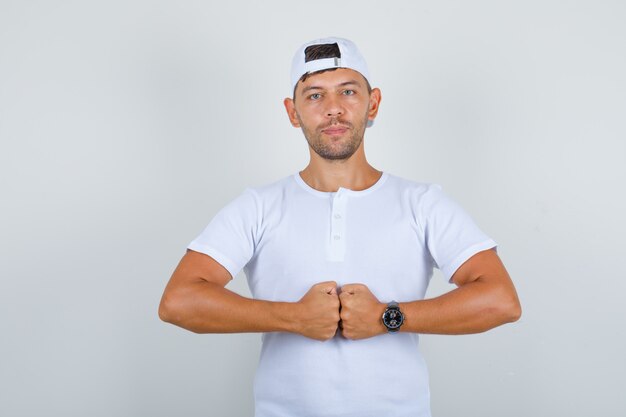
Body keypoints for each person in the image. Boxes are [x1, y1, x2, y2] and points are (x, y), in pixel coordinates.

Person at [159, 36, 521, 417]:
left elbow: (501, 300)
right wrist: (293, 317)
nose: (333, 109)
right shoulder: (258, 207)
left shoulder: (422, 203)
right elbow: (178, 301)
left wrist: (387, 317)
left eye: (347, 91)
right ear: (292, 112)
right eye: (314, 95)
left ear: (373, 103)